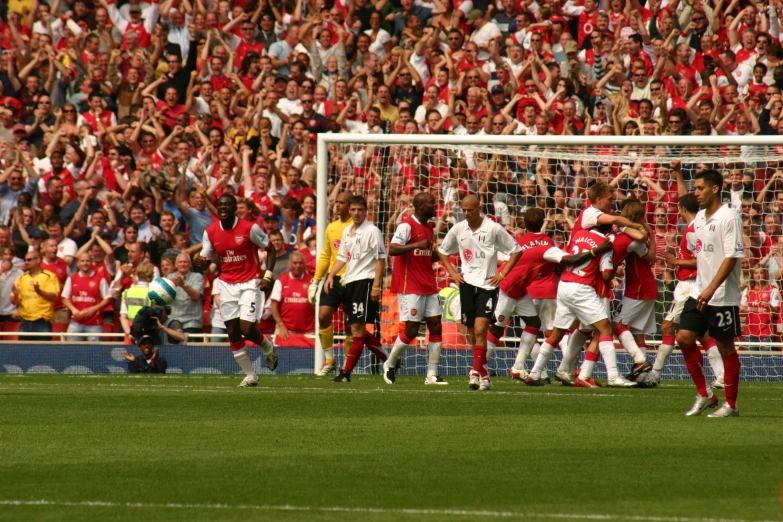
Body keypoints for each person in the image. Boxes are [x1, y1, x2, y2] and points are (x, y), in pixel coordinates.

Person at [525, 223, 638, 388]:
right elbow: (606, 275)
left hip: (564, 285)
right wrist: (614, 269)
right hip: (582, 288)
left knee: (557, 333)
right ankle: (613, 375)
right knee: (605, 329)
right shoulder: (606, 243)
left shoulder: (577, 234)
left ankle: (535, 373)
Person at [437, 195, 523, 391]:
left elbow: (516, 251)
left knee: (480, 329)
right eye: (464, 210)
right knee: (470, 332)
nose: (467, 213)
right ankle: (484, 374)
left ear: (479, 208)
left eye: (470, 210)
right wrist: (452, 272)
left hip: (488, 285)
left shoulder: (493, 228)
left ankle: (474, 373)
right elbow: (442, 250)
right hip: (466, 284)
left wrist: (502, 273)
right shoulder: (459, 229)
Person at [677, 169, 744, 417]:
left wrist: (711, 287)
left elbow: (732, 257)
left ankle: (731, 405)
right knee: (684, 337)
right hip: (699, 292)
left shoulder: (729, 217)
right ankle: (705, 394)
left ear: (715, 188)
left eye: (700, 188)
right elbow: (685, 203)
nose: (696, 193)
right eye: (695, 188)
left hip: (722, 295)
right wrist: (676, 174)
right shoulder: (701, 217)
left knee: (726, 347)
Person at [195, 194, 278, 388]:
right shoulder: (211, 232)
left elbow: (271, 249)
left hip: (250, 282)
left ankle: (267, 346)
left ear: (234, 209)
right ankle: (250, 376)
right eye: (220, 205)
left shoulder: (250, 228)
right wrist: (199, 262)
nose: (223, 207)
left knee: (246, 329)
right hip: (226, 284)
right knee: (232, 332)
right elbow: (205, 259)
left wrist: (267, 276)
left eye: (227, 205)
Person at [658, 194, 725, 387]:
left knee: (667, 326)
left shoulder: (692, 231)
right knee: (703, 333)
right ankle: (720, 374)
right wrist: (679, 172)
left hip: (690, 284)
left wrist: (676, 261)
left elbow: (702, 259)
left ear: (681, 209)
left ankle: (654, 375)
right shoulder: (699, 223)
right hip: (694, 283)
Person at [384, 192, 447, 385]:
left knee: (436, 325)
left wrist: (444, 251)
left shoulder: (429, 227)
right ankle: (390, 362)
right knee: (411, 329)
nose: (434, 206)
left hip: (427, 283)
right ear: (420, 206)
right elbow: (392, 249)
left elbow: (427, 255)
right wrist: (416, 244)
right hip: (409, 284)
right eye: (431, 203)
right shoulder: (406, 225)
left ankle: (431, 375)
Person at [325, 196, 388, 383]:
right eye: (353, 210)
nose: (356, 213)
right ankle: (390, 360)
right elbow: (342, 257)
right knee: (355, 328)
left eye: (359, 210)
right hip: (350, 283)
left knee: (357, 329)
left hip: (365, 282)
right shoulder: (347, 231)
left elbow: (381, 259)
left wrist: (376, 286)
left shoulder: (372, 231)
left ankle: (346, 372)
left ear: (366, 210)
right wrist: (330, 275)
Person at [61, 252, 113, 342]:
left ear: (92, 262)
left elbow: (108, 298)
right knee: (72, 351)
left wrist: (94, 308)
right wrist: (73, 310)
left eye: (88, 261)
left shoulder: (100, 279)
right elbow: (64, 297)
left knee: (95, 353)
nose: (85, 263)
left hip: (94, 324)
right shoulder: (72, 279)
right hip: (76, 322)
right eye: (82, 261)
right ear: (78, 263)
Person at [11, 250, 60, 341]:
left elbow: (53, 297)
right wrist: (15, 295)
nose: (26, 262)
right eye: (25, 260)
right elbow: (14, 302)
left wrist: (38, 290)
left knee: (43, 352)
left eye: (29, 260)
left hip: (42, 321)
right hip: (25, 321)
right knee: (23, 351)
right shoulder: (22, 278)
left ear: (38, 260)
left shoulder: (50, 276)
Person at [270, 252, 315, 343]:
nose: (297, 266)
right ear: (289, 264)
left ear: (304, 265)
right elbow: (274, 308)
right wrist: (281, 326)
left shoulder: (312, 281)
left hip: (309, 332)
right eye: (295, 263)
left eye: (300, 263)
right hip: (286, 330)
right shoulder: (280, 281)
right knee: (282, 356)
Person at [167, 252, 204, 334]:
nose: (183, 264)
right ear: (176, 265)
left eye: (185, 262)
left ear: (190, 264)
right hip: (174, 320)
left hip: (192, 322)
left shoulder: (197, 277)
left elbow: (196, 296)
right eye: (180, 262)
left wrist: (182, 285)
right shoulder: (169, 277)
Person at [119, 261, 155, 341]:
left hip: (130, 332)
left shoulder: (127, 292)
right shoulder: (153, 294)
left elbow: (123, 317)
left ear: (137, 274)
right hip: (146, 334)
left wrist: (130, 334)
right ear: (152, 275)